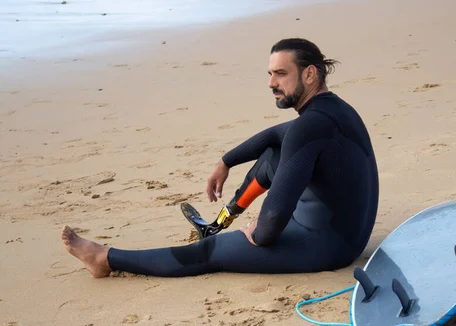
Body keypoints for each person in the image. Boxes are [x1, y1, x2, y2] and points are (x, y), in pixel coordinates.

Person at [61, 38, 379, 278]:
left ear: (310, 74)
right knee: (272, 157)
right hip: (350, 233)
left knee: (209, 253)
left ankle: (104, 258)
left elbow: (271, 223)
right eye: (270, 74)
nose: (271, 83)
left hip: (326, 247)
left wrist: (255, 233)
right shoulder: (333, 111)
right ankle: (218, 224)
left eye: (281, 74)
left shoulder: (308, 127)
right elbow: (273, 137)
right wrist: (225, 161)